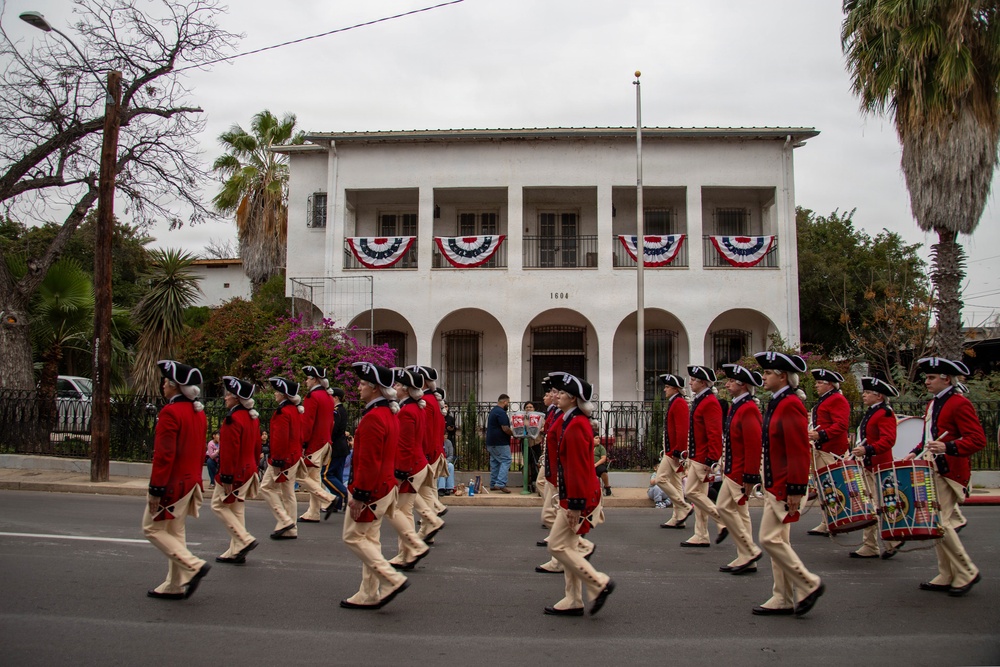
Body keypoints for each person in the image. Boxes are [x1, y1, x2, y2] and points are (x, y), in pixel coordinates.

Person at [751, 351, 824, 617]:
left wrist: (795, 488)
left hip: (784, 485)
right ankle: (781, 596)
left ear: (782, 376)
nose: (764, 376)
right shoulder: (777, 401)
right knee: (779, 542)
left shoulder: (790, 404)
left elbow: (798, 450)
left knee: (768, 539)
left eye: (768, 373)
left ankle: (808, 582)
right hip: (775, 484)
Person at [904, 357, 985, 597]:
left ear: (946, 379)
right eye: (926, 377)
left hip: (951, 471)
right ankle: (947, 573)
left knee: (939, 522)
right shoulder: (934, 404)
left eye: (931, 378)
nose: (926, 382)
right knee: (935, 522)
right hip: (934, 467)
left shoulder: (959, 403)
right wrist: (914, 452)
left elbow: (977, 439)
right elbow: (931, 436)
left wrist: (948, 448)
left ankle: (966, 570)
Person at [542, 371, 615, 617]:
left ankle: (599, 582)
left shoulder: (574, 425)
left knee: (556, 546)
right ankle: (573, 599)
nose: (557, 396)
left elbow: (577, 468)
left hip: (578, 497)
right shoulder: (572, 421)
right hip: (576, 494)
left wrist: (574, 504)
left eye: (562, 393)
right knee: (569, 545)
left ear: (573, 399)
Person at [340, 361, 410, 610]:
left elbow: (368, 462)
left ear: (374, 388)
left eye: (362, 383)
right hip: (384, 487)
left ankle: (391, 578)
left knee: (352, 537)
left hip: (371, 490)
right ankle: (368, 592)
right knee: (369, 540)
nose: (358, 388)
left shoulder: (373, 418)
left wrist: (359, 495)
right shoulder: (388, 413)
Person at [142, 360, 211, 600]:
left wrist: (156, 489)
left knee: (151, 528)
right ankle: (174, 584)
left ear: (174, 385)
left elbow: (164, 455)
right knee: (175, 531)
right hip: (191, 482)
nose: (162, 385)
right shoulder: (197, 412)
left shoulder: (170, 412)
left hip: (173, 484)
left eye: (165, 381)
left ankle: (193, 566)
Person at [716, 363, 765, 575]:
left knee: (724, 508)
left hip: (739, 471)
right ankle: (746, 557)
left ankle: (750, 550)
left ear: (742, 385)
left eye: (730, 381)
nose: (726, 384)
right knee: (741, 513)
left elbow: (753, 444)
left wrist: (750, 475)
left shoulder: (748, 408)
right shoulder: (738, 405)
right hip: (732, 468)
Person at [212, 376, 262, 565]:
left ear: (236, 398)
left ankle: (244, 538)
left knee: (218, 505)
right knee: (237, 509)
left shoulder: (232, 419)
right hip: (248, 469)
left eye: (229, 395)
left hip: (236, 471)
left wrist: (226, 476)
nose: (225, 398)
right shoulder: (251, 418)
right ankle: (236, 550)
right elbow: (257, 446)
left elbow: (229, 451)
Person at [386, 368, 432, 571]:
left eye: (397, 385)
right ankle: (405, 553)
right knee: (404, 510)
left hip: (409, 467)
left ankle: (412, 549)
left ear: (405, 390)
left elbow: (404, 445)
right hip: (415, 464)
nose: (394, 387)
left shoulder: (407, 411)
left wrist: (400, 473)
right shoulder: (415, 408)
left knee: (401, 511)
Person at [849, 376, 900, 559]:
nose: (864, 395)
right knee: (871, 506)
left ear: (879, 396)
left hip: (879, 465)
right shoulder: (873, 412)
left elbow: (888, 440)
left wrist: (867, 449)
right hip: (869, 465)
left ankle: (891, 539)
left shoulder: (885, 413)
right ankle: (872, 544)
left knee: (878, 506)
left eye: (868, 392)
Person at [680, 365, 727, 548]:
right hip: (697, 455)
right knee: (700, 497)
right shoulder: (701, 400)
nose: (690, 382)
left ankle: (722, 519)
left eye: (693, 380)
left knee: (691, 492)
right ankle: (701, 534)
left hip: (703, 457)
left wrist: (712, 459)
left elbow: (714, 433)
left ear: (702, 382)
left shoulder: (709, 402)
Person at [806, 368, 851, 537]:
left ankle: (834, 520)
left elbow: (841, 425)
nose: (816, 385)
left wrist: (821, 434)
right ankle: (828, 521)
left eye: (820, 383)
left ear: (830, 385)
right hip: (823, 447)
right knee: (824, 487)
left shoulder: (837, 400)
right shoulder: (827, 399)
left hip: (831, 450)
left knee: (831, 486)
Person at [405, 366, 447, 542]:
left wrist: (426, 454)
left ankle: (428, 525)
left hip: (428, 452)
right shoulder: (431, 400)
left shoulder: (427, 402)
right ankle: (429, 524)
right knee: (428, 491)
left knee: (422, 492)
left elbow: (427, 432)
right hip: (434, 450)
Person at [259, 377, 303, 541]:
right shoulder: (295, 410)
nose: (275, 394)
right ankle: (291, 528)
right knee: (288, 493)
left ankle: (285, 521)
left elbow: (280, 439)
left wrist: (277, 461)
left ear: (284, 395)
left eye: (278, 391)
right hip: (293, 456)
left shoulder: (282, 412)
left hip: (283, 458)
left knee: (266, 487)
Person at [296, 366, 337, 523]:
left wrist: (304, 442)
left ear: (314, 379)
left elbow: (308, 423)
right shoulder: (327, 396)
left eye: (308, 378)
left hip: (315, 442)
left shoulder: (312, 396)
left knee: (300, 475)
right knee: (314, 477)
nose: (306, 381)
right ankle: (313, 512)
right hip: (325, 441)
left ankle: (327, 498)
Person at [653, 374, 694, 529]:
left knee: (660, 479)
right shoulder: (675, 402)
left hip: (674, 452)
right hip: (672, 450)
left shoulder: (679, 403)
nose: (665, 390)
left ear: (675, 388)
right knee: (676, 483)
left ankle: (684, 507)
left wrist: (679, 452)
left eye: (667, 387)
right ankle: (678, 517)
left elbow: (682, 430)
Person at [322, 387, 350, 513]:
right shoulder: (341, 410)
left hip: (336, 448)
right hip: (341, 447)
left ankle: (345, 495)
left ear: (336, 398)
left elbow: (334, 429)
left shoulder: (336, 411)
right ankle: (337, 504)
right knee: (337, 475)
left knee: (326, 475)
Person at [486, 393, 513, 493]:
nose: (508, 405)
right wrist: (514, 434)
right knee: (506, 460)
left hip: (491, 442)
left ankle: (493, 484)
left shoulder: (494, 411)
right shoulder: (501, 412)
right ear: (504, 402)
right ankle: (500, 483)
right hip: (500, 442)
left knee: (495, 462)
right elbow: (505, 428)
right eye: (508, 403)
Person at [593, 429, 611, 497]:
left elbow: (603, 458)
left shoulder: (601, 447)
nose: (598, 440)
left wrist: (595, 465)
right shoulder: (587, 447)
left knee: (603, 472)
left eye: (599, 438)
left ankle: (607, 487)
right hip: (588, 466)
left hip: (598, 465)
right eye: (596, 438)